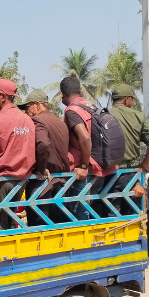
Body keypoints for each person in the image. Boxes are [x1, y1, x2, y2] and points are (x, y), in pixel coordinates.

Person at [61, 76, 118, 220]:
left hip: (85, 171)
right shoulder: (92, 107)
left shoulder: (72, 111)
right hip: (100, 166)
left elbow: (85, 138)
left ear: (63, 94)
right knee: (93, 211)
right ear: (80, 91)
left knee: (80, 214)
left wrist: (83, 166)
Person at [0, 79, 36, 229]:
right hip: (23, 179)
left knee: (2, 223)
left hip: (4, 180)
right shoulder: (27, 120)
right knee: (11, 217)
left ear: (3, 97)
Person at [18, 90, 69, 225]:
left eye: (27, 107)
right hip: (61, 182)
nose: (26, 112)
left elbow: (43, 144)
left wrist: (40, 169)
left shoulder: (37, 120)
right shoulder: (60, 123)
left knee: (39, 227)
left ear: (37, 105)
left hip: (43, 184)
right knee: (58, 226)